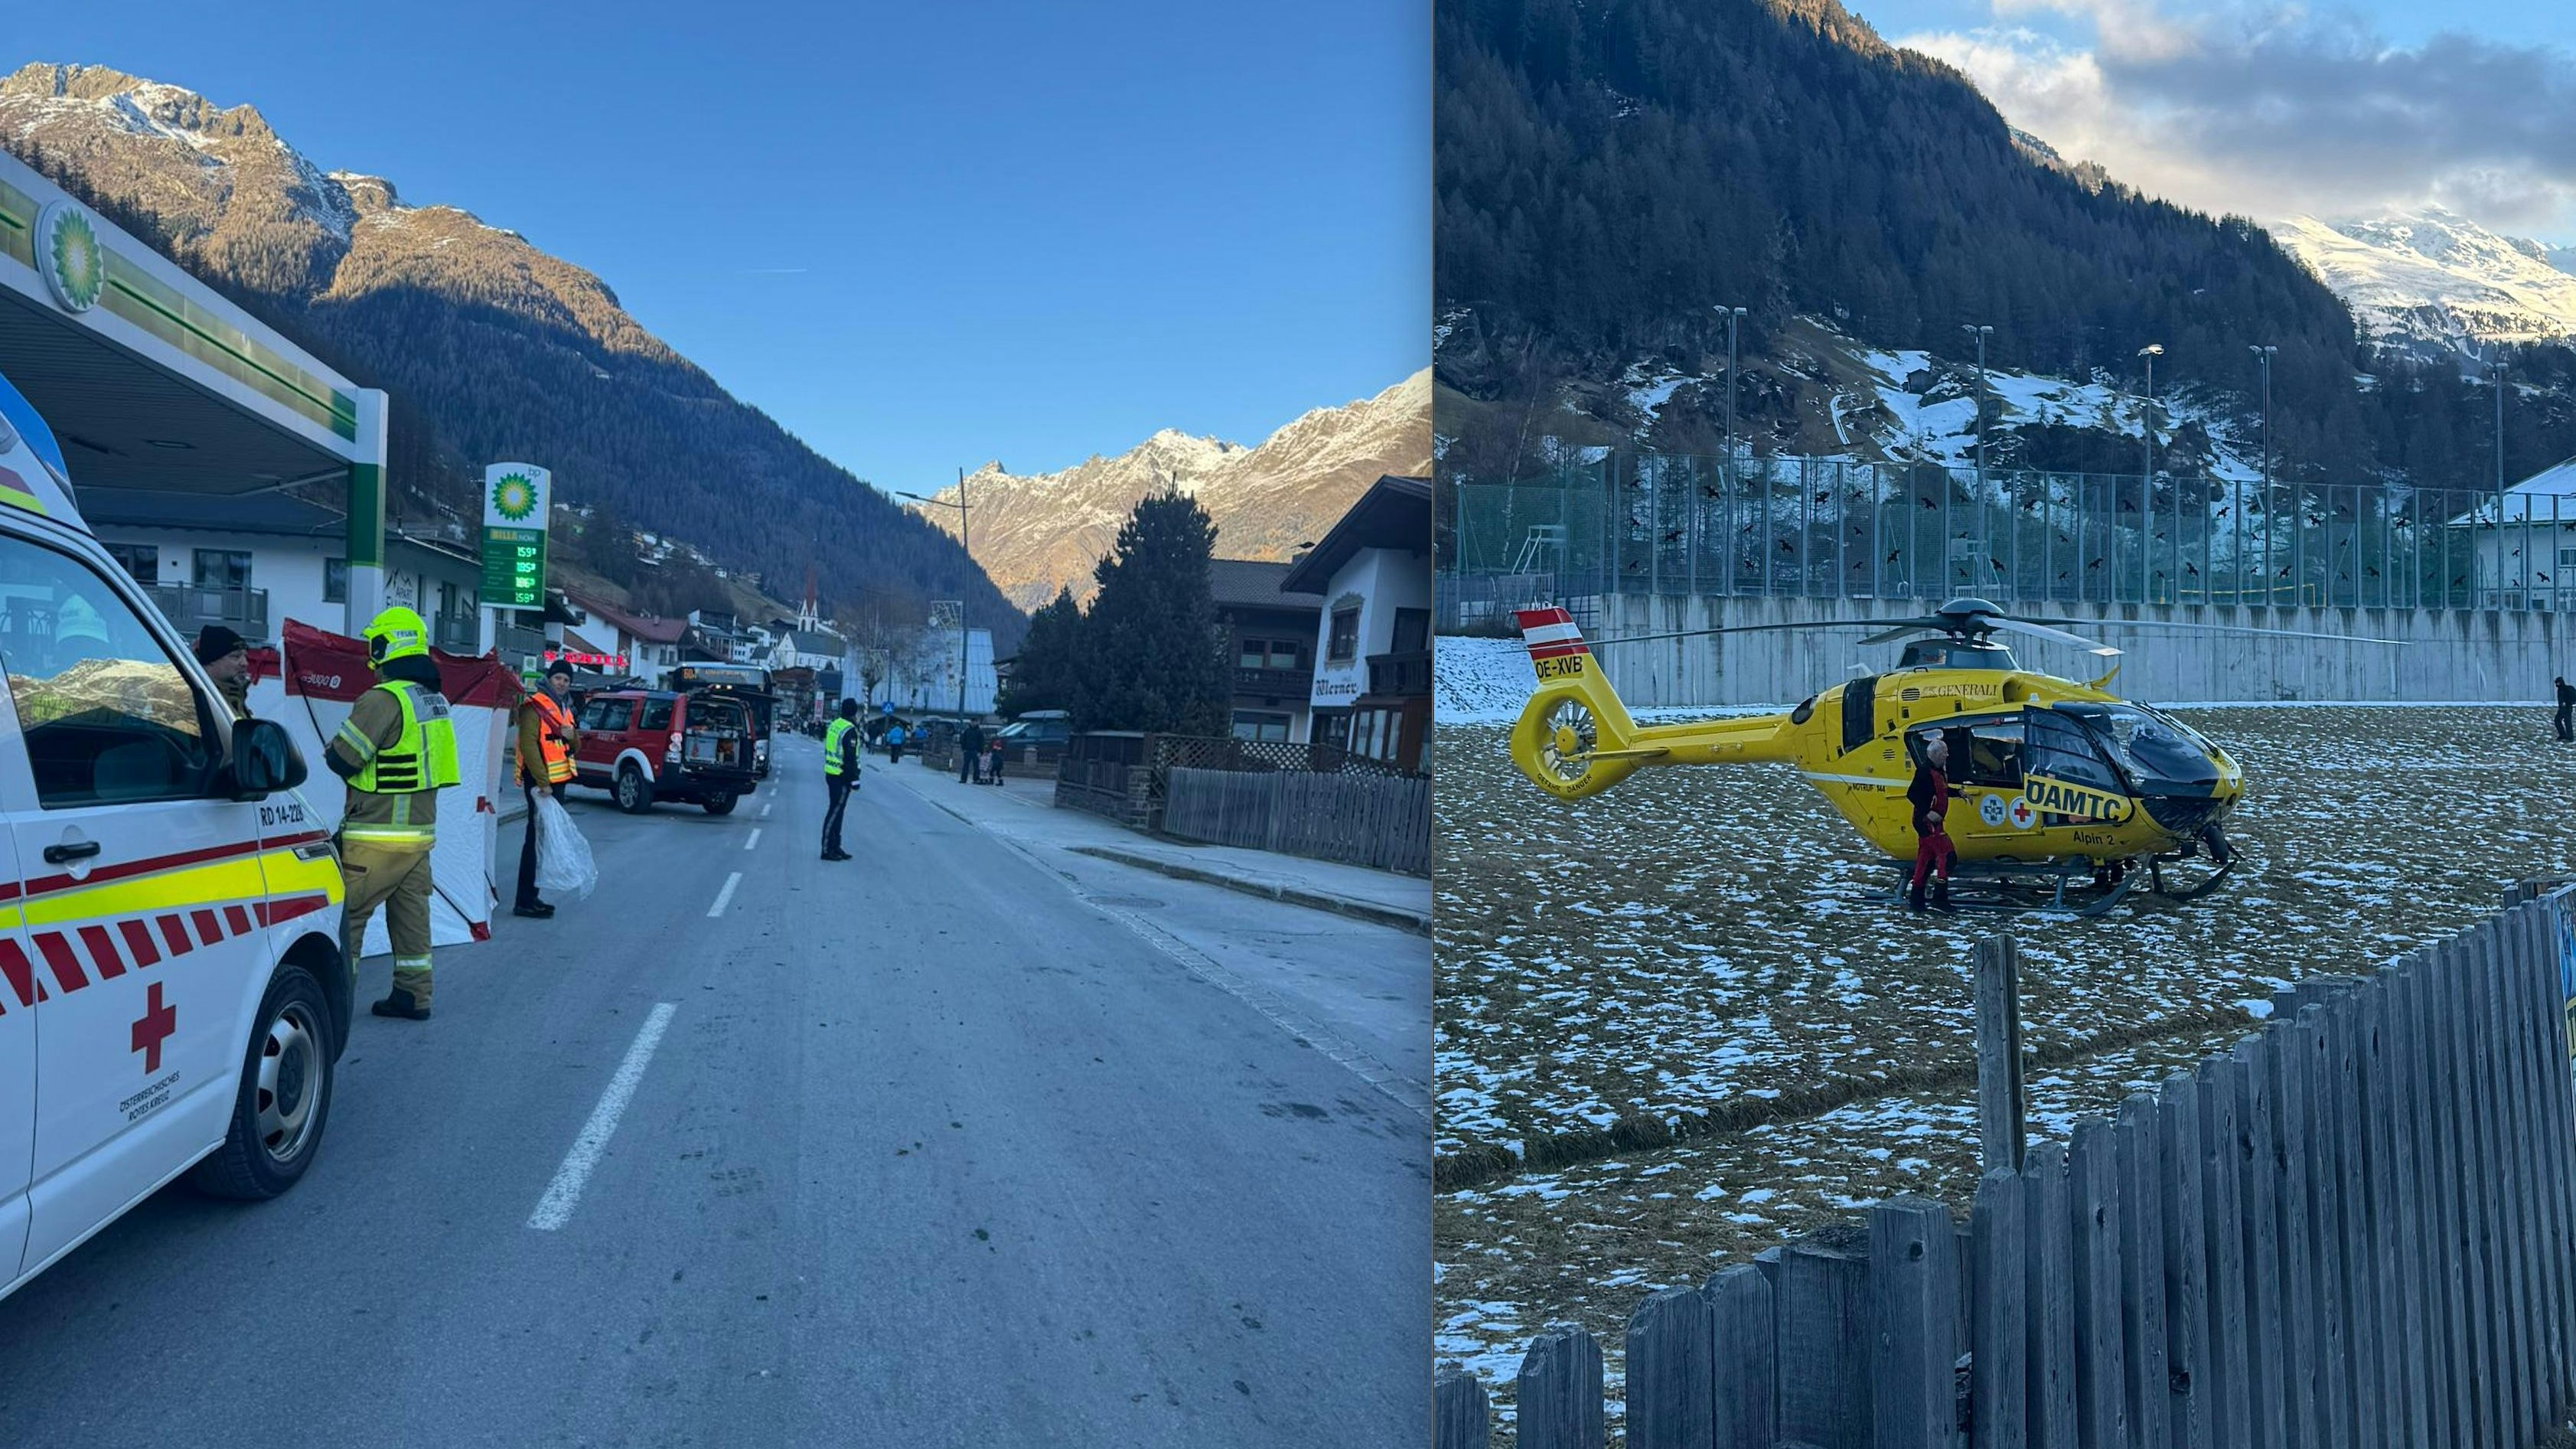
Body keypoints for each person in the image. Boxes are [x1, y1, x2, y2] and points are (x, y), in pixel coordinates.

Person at [326, 607, 459, 1021]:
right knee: (411, 918)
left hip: (374, 838)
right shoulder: (432, 700)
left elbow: (344, 758)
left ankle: (333, 1009)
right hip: (419, 837)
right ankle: (413, 995)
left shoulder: (383, 698)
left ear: (386, 645)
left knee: (348, 921)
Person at [513, 660, 581, 919]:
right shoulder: (534, 707)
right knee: (534, 840)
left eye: (566, 680)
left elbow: (576, 747)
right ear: (549, 679)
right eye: (558, 678)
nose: (562, 683)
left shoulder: (566, 708)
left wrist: (571, 736)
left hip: (558, 782)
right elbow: (529, 746)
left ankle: (533, 895)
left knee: (543, 840)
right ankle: (524, 901)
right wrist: (543, 783)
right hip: (541, 784)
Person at [1906, 733, 1958, 913]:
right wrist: (1928, 812)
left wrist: (1959, 793)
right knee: (1947, 855)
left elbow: (1942, 791)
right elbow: (1912, 794)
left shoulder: (1939, 771)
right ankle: (1939, 898)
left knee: (1926, 858)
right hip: (1927, 822)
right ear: (1935, 755)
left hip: (1932, 822)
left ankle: (1916, 900)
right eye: (1944, 753)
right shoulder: (1924, 772)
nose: (1947, 756)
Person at [821, 697, 861, 861]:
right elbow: (850, 757)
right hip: (841, 776)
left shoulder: (835, 725)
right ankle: (827, 849)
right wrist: (855, 780)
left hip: (831, 773)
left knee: (838, 812)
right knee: (835, 812)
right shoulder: (849, 730)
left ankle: (835, 846)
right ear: (854, 712)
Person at [194, 624, 253, 720]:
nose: (245, 663)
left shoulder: (235, 696)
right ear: (211, 660)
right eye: (236, 657)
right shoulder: (198, 700)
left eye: (245, 656)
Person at [959, 718, 986, 783]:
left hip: (976, 751)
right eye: (972, 722)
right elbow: (963, 740)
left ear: (977, 723)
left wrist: (980, 752)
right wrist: (964, 749)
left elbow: (982, 742)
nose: (973, 723)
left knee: (976, 766)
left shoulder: (980, 732)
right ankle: (963, 779)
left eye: (975, 722)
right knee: (966, 765)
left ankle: (976, 779)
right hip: (967, 750)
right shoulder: (967, 731)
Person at [2557, 676, 2574, 742]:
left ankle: (2570, 737)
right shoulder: (2560, 689)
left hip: (2567, 708)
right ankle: (2563, 735)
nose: (2557, 685)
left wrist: (2567, 703)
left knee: (2568, 722)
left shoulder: (2565, 689)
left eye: (2558, 683)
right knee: (2557, 720)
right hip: (2562, 709)